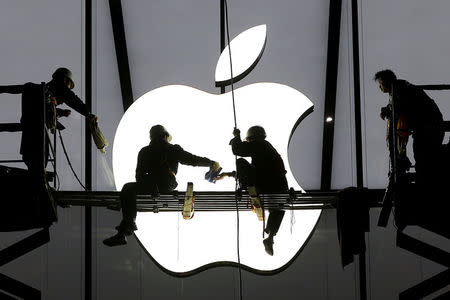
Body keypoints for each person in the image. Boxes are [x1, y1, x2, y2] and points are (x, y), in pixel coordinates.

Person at [103, 125, 220, 247]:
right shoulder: (172, 149)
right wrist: (210, 163)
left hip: (150, 185)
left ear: (152, 136)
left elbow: (139, 176)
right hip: (166, 184)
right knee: (129, 188)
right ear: (165, 135)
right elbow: (192, 160)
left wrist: (149, 185)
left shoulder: (144, 151)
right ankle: (124, 230)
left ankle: (124, 230)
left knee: (128, 188)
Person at [0, 67, 98, 177]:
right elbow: (73, 100)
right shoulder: (57, 89)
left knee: (33, 159)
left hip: (30, 131)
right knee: (40, 159)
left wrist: (60, 112)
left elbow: (44, 108)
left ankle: (37, 176)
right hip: (38, 132)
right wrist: (88, 114)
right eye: (69, 86)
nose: (68, 89)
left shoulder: (37, 90)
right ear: (65, 80)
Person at [374, 69, 444, 187]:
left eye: (380, 84)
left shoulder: (398, 91)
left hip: (427, 129)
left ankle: (425, 187)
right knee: (426, 159)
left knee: (423, 159)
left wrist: (387, 111)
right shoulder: (402, 87)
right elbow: (397, 106)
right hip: (432, 126)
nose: (380, 87)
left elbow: (399, 108)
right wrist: (388, 109)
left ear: (386, 82)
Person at [228, 125, 288, 256]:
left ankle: (247, 187)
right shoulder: (268, 148)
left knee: (240, 162)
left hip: (265, 183)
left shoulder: (259, 144)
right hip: (280, 187)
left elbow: (238, 150)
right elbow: (257, 168)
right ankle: (270, 237)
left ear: (252, 137)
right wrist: (231, 175)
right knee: (277, 209)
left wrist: (236, 137)